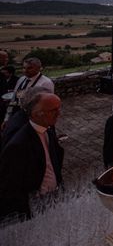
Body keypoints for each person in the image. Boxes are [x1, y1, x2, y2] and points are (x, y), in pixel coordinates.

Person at [0, 92, 63, 220]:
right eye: (53, 110)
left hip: (54, 197)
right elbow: (10, 188)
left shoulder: (47, 130)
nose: (59, 113)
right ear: (36, 114)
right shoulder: (18, 145)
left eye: (59, 108)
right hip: (35, 207)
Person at [3, 57, 54, 125]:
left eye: (30, 68)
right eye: (24, 68)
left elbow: (47, 105)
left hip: (33, 120)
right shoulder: (21, 79)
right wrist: (7, 118)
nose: (25, 71)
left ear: (39, 68)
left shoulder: (46, 83)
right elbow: (15, 99)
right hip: (17, 116)